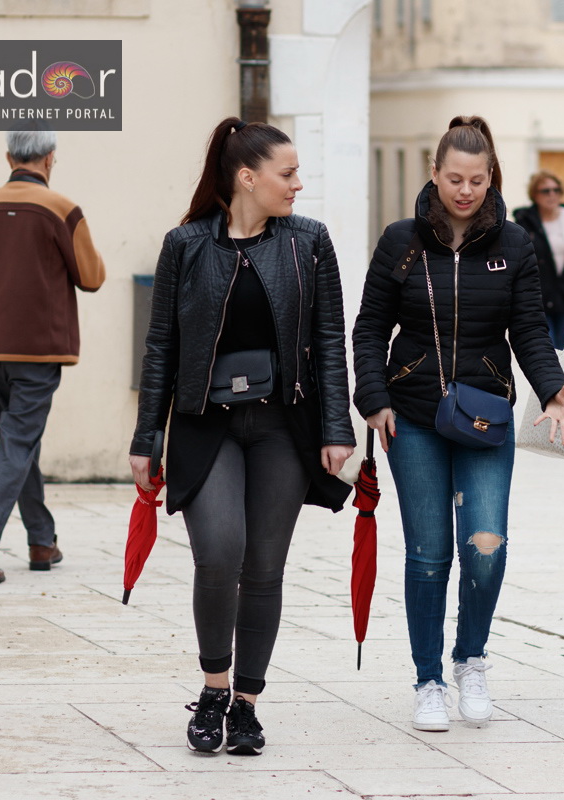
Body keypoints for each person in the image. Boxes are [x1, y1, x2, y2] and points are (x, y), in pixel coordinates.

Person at [129, 118, 355, 755]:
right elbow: (161, 347)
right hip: (206, 424)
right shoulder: (186, 244)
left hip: (283, 423)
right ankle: (213, 688)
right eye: (288, 174)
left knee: (264, 567)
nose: (298, 185)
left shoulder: (309, 242)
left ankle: (247, 705)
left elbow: (330, 341)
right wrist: (146, 436)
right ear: (247, 178)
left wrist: (336, 428)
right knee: (220, 551)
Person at [353, 116, 564, 732]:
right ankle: (428, 680)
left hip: (484, 416)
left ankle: (470, 659)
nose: (465, 191)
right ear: (435, 173)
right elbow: (370, 328)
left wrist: (554, 392)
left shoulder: (514, 243)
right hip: (413, 418)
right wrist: (373, 397)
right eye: (454, 179)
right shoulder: (400, 240)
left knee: (486, 546)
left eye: (477, 181)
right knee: (428, 555)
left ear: (491, 180)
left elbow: (529, 328)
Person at [0, 124, 106, 584]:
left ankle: (42, 541)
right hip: (39, 350)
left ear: (8, 158)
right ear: (50, 157)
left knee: (17, 444)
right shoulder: (63, 209)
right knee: (18, 443)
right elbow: (92, 277)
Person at [513, 170, 564, 348]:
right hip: (537, 294)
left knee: (559, 348)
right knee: (547, 346)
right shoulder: (526, 221)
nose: (552, 195)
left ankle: (556, 376)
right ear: (534, 195)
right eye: (545, 191)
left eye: (556, 190)